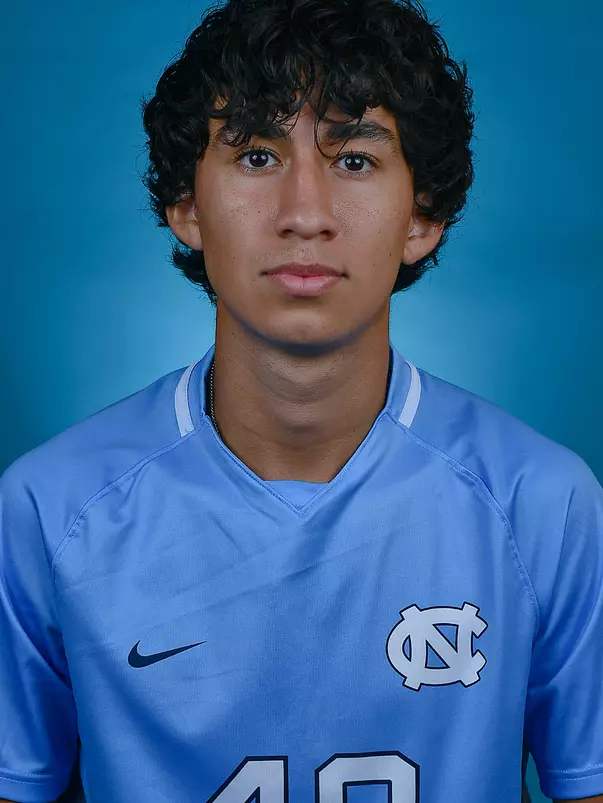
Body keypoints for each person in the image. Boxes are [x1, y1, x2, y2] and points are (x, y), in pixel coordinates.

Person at [0, 0, 601, 800]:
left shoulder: (542, 505)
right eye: (255, 156)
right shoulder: (48, 509)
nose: (304, 214)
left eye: (353, 158)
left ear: (422, 214)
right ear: (186, 206)